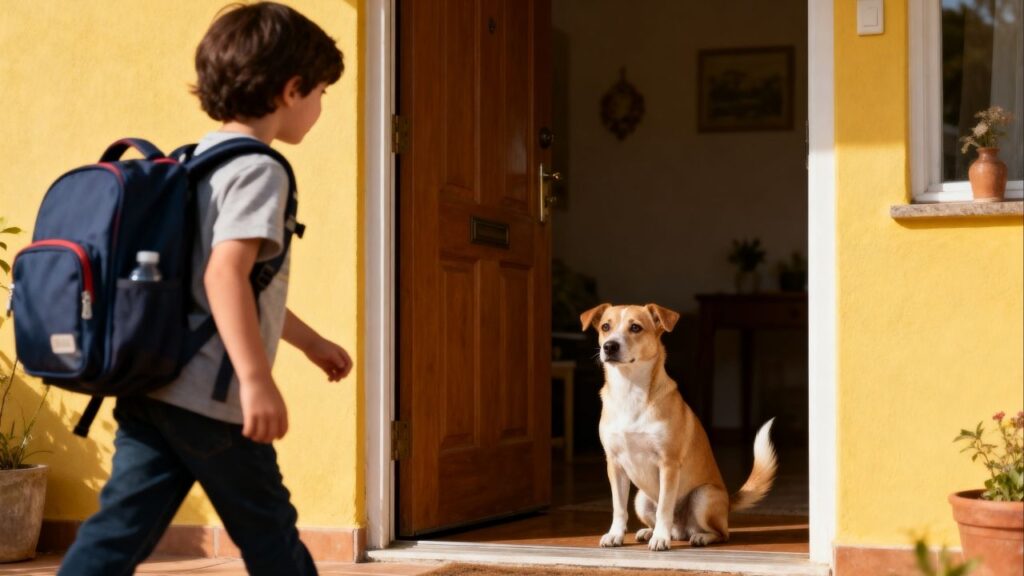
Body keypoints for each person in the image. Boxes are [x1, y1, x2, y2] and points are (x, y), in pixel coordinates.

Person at [59, 4, 349, 575]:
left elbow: (240, 284)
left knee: (117, 534)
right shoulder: (261, 170)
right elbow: (224, 277)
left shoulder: (194, 160)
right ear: (291, 90)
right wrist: (256, 380)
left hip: (155, 384)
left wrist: (310, 343)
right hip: (213, 402)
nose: (320, 107)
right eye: (319, 92)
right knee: (273, 541)